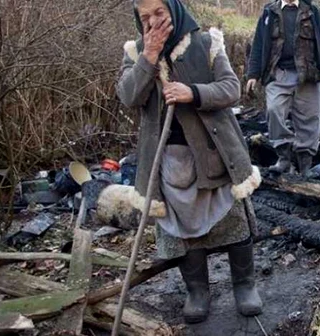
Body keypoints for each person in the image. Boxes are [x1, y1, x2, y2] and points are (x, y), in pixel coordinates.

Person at [115, 0, 263, 324]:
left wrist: (193, 92)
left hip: (215, 152)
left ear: (174, 10)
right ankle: (198, 291)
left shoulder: (207, 43)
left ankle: (245, 284)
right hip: (167, 161)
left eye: (160, 13)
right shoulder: (135, 53)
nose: (153, 22)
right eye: (145, 18)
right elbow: (128, 96)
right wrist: (149, 58)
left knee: (232, 222)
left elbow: (231, 89)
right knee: (183, 230)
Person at [246, 0, 320, 175]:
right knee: (274, 110)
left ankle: (305, 166)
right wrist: (253, 74)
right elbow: (258, 44)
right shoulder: (269, 12)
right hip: (278, 72)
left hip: (308, 74)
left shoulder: (312, 11)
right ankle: (284, 159)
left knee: (309, 119)